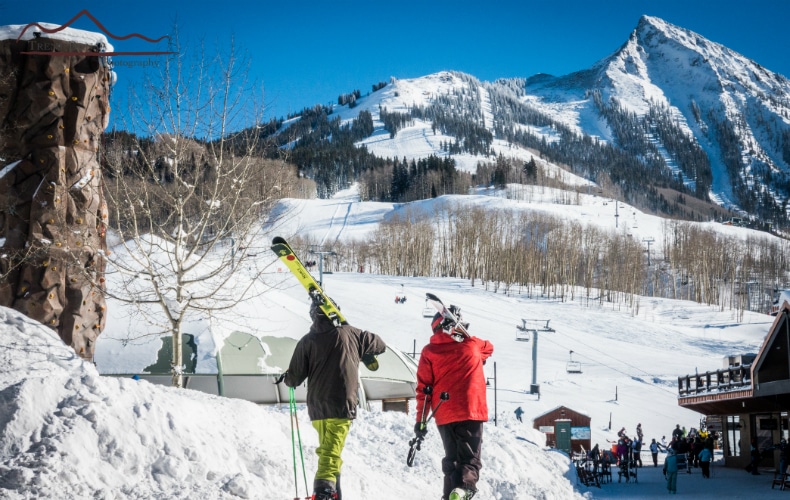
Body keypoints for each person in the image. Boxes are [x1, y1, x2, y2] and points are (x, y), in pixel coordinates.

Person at [283, 300, 387, 500]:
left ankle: (334, 493)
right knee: (330, 456)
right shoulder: (352, 333)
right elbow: (381, 345)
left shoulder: (307, 340)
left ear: (313, 315)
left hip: (318, 409)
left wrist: (286, 377)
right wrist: (359, 342)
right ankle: (324, 493)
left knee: (329, 452)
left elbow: (293, 379)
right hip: (341, 405)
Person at [415, 308, 494, 500]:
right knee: (469, 459)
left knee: (452, 459)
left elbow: (424, 390)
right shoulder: (472, 345)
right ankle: (463, 488)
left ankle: (448, 494)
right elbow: (489, 348)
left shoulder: (429, 351)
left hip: (443, 412)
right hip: (470, 410)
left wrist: (420, 421)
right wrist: (475, 353)